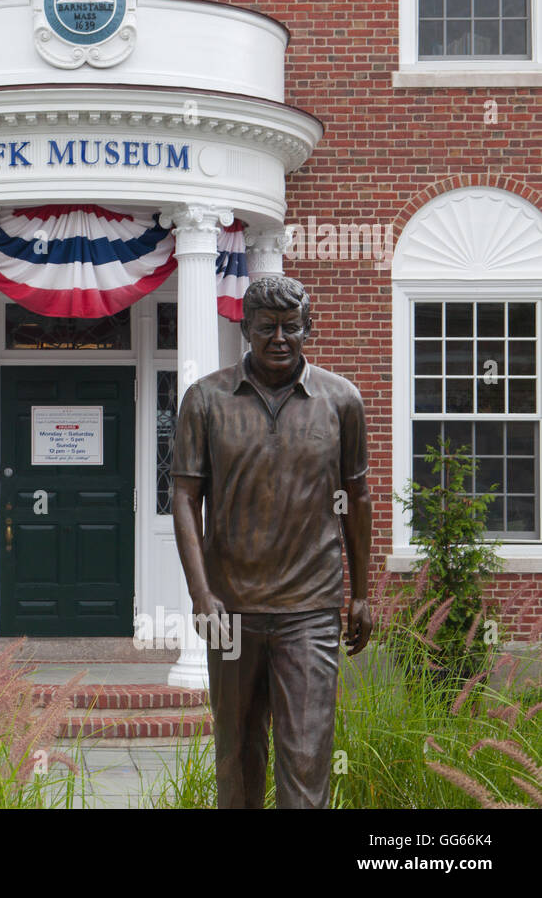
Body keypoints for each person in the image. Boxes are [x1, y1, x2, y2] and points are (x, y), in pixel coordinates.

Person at [171, 274, 372, 808]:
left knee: (306, 756)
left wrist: (361, 592)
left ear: (308, 327)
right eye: (266, 328)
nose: (280, 338)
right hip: (231, 610)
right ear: (246, 329)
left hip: (310, 608)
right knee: (236, 756)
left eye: (291, 327)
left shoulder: (341, 401)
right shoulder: (205, 399)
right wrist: (201, 594)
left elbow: (357, 499)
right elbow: (186, 500)